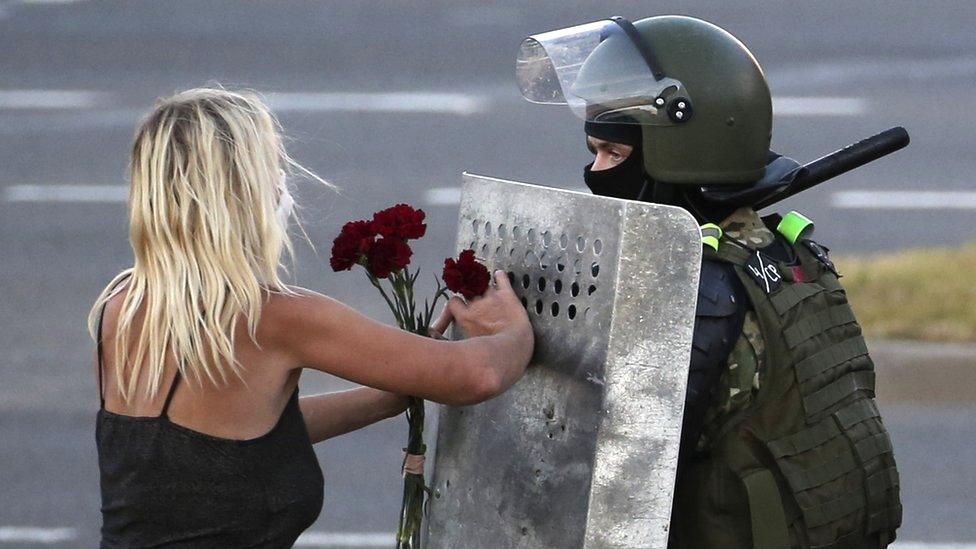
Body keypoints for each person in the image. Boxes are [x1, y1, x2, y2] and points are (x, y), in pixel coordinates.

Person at [88, 87, 533, 548]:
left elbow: (216, 444)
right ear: (247, 189)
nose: (284, 182)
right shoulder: (270, 316)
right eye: (273, 165)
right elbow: (477, 375)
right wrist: (514, 328)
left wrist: (387, 397)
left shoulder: (121, 304)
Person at [518, 15, 901, 548]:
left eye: (616, 155)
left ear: (683, 155)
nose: (597, 172)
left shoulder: (698, 287)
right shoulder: (783, 248)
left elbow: (620, 465)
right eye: (594, 152)